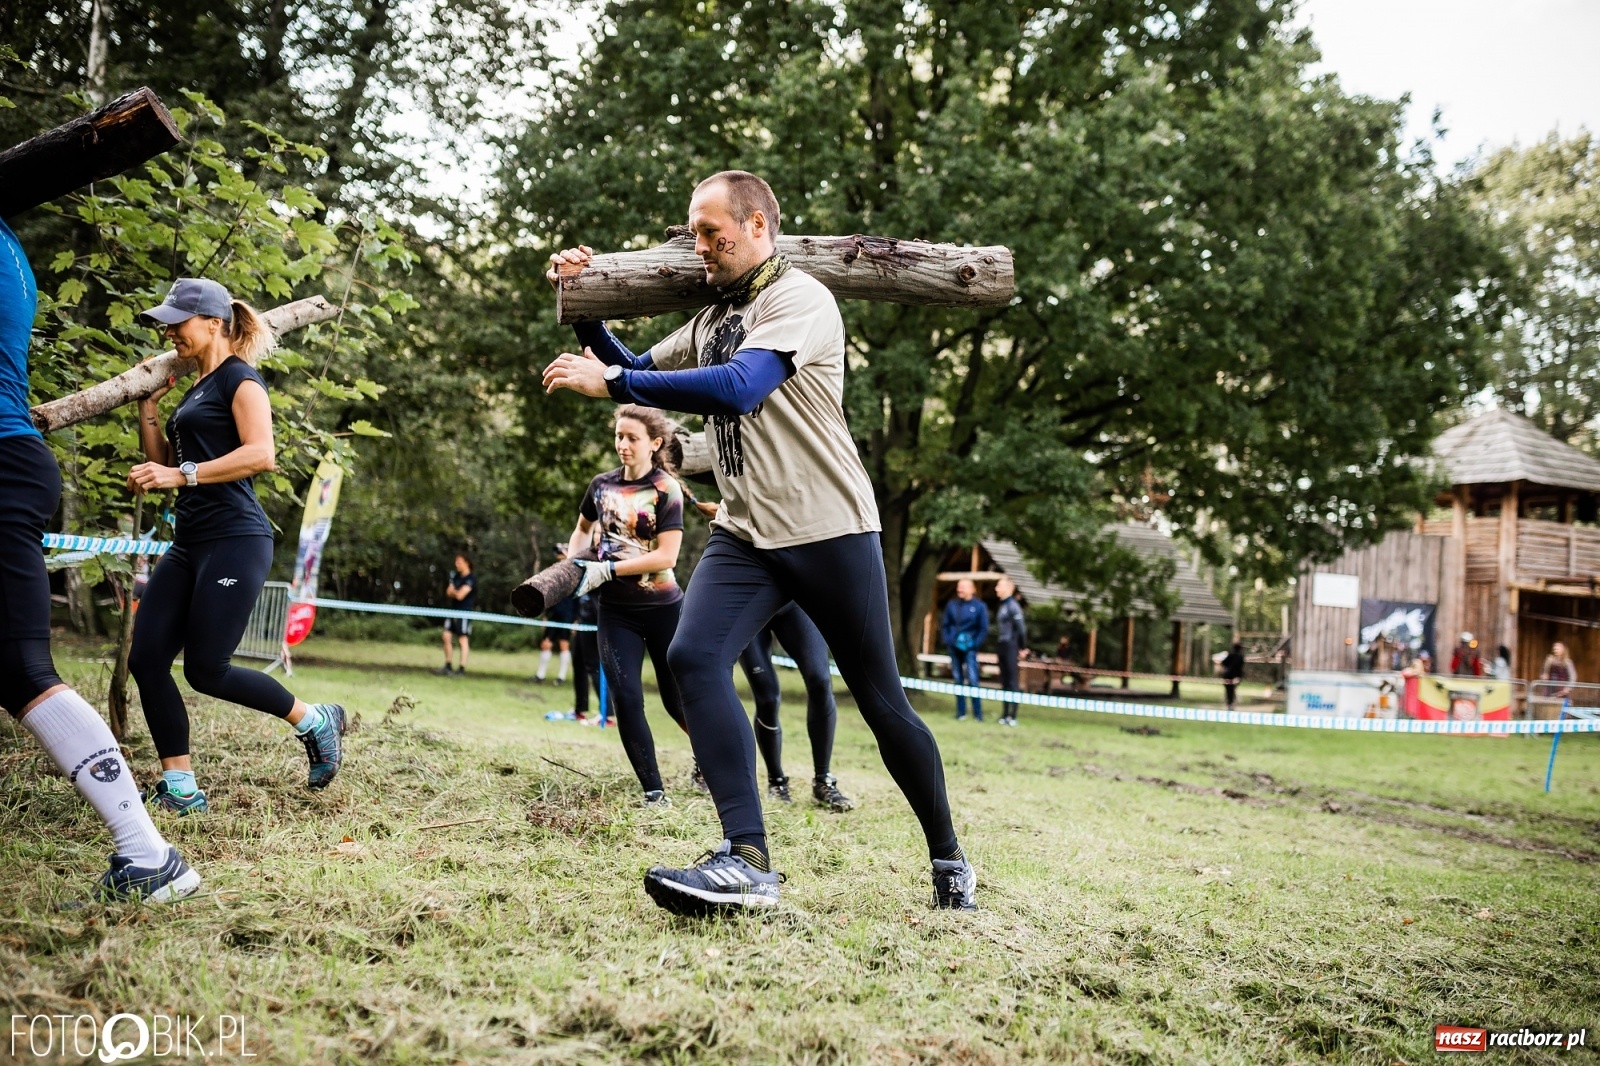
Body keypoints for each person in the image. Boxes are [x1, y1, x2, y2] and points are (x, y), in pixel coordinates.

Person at [542, 170, 975, 913]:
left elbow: (741, 386)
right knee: (693, 657)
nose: (701, 247)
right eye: (695, 233)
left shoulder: (799, 300)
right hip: (746, 533)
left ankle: (948, 856)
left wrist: (610, 383)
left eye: (714, 233)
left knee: (881, 703)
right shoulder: (711, 319)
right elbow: (639, 374)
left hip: (829, 527)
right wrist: (587, 311)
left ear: (758, 228)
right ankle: (747, 858)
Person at [0, 221, 200, 901]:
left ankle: (150, 852)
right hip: (16, 461)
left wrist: (181, 478)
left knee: (23, 668)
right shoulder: (13, 251)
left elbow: (232, 460)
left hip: (4, 465)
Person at [126, 278, 346, 815]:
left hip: (235, 539)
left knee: (208, 669)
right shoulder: (195, 391)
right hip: (190, 541)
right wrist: (150, 409)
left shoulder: (240, 381)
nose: (169, 330)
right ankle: (180, 787)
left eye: (178, 321)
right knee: (147, 658)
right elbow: (169, 461)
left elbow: (261, 454)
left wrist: (182, 475)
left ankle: (315, 721)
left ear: (214, 323)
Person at [563, 405, 689, 804]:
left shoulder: (666, 489)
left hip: (665, 609)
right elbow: (582, 531)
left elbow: (667, 556)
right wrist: (574, 567)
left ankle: (710, 758)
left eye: (632, 438)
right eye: (619, 436)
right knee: (627, 697)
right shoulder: (601, 486)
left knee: (676, 701)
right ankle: (654, 791)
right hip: (616, 612)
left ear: (654, 443)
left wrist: (609, 571)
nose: (622, 444)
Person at [737, 603, 855, 809]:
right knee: (767, 698)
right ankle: (776, 782)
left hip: (793, 601)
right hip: (749, 602)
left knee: (820, 682)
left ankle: (823, 780)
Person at [941, 579, 989, 721]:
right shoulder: (952, 606)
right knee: (958, 679)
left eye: (963, 587)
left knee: (973, 679)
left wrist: (973, 644)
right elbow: (946, 625)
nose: (959, 589)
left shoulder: (979, 607)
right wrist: (950, 640)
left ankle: (978, 714)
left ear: (972, 589)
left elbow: (983, 628)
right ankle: (960, 712)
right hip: (954, 648)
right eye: (958, 587)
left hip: (970, 649)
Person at [993, 577, 1028, 726]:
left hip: (1011, 646)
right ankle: (1004, 714)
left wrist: (1022, 647)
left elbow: (1021, 629)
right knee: (1004, 681)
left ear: (1008, 588)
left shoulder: (1013, 606)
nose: (996, 588)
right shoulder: (1002, 605)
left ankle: (1012, 716)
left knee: (1013, 681)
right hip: (1002, 645)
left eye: (999, 586)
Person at [538, 549, 575, 685]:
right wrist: (546, 616)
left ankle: (561, 677)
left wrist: (575, 620)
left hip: (568, 616)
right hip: (554, 615)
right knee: (546, 643)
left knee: (564, 644)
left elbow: (578, 599)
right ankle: (540, 675)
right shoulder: (553, 575)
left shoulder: (574, 574)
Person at [438, 553, 475, 675]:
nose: (456, 564)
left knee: (462, 639)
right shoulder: (456, 577)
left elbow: (460, 595)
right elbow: (449, 592)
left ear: (466, 562)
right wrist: (455, 592)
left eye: (459, 562)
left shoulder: (471, 579)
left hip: (464, 612)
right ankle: (448, 665)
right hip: (452, 611)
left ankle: (461, 668)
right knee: (446, 636)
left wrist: (454, 592)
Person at [570, 586, 602, 721]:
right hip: (583, 621)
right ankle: (580, 709)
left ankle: (606, 713)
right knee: (578, 663)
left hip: (595, 623)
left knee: (593, 666)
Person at [1221, 642, 1245, 709]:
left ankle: (1230, 703)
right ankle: (1231, 703)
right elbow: (1241, 667)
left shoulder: (1231, 655)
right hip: (1236, 676)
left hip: (1228, 675)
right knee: (1232, 689)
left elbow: (1224, 663)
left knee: (1229, 690)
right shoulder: (1241, 657)